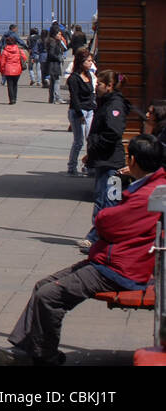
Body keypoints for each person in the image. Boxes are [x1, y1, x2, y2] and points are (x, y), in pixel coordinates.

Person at [0, 135, 165, 366]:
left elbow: (105, 221)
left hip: (118, 269)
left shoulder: (148, 194)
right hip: (110, 260)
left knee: (49, 296)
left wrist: (115, 187)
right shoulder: (148, 186)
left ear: (134, 160)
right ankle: (23, 348)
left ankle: (44, 356)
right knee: (42, 285)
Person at [78, 70, 128, 253]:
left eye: (99, 84)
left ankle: (97, 237)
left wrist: (95, 145)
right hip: (103, 159)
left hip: (110, 161)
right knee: (104, 200)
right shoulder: (106, 103)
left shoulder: (114, 105)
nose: (96, 86)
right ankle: (101, 237)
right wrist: (91, 153)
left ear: (110, 86)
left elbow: (113, 133)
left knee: (107, 201)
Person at [65, 48, 95, 177]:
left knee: (91, 139)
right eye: (88, 61)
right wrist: (80, 114)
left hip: (90, 110)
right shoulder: (74, 78)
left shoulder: (88, 75)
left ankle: (89, 165)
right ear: (81, 61)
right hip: (78, 111)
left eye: (91, 61)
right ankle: (72, 167)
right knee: (78, 141)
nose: (90, 63)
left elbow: (91, 92)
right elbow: (75, 98)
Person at [0, 34, 27, 105]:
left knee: (10, 85)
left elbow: (2, 62)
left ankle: (11, 99)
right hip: (17, 69)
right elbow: (24, 58)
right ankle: (15, 97)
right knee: (15, 84)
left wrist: (2, 70)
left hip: (8, 69)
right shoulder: (18, 50)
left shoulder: (5, 51)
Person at [45, 26, 67, 103]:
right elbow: (51, 54)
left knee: (54, 81)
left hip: (53, 64)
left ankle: (52, 98)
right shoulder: (53, 43)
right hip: (54, 64)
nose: (60, 36)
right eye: (59, 34)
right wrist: (58, 58)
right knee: (56, 81)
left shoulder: (54, 42)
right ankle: (57, 97)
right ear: (54, 34)